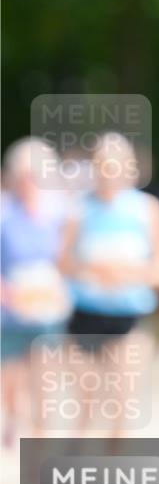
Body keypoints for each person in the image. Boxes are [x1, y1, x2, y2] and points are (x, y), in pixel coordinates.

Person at [58, 132, 159, 440]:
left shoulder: (148, 209)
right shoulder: (78, 209)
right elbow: (61, 263)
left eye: (116, 165)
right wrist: (92, 269)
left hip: (130, 319)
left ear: (131, 168)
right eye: (103, 164)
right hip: (83, 316)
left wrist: (133, 274)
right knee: (85, 403)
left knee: (122, 403)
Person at [1, 137, 72, 447]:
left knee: (44, 378)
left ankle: (41, 441)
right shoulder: (4, 214)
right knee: (11, 382)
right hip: (10, 309)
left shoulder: (60, 214)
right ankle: (14, 418)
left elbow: (68, 260)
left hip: (47, 309)